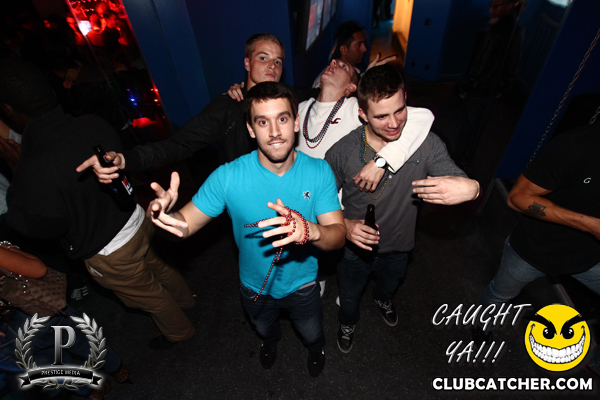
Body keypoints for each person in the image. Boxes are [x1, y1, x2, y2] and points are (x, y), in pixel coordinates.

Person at [147, 81, 346, 377]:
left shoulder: (318, 172)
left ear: (296, 123)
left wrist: (311, 231)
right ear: (251, 130)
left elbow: (338, 235)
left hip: (303, 283)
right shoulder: (228, 177)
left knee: (311, 330)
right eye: (263, 122)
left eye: (282, 119)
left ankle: (316, 348)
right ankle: (270, 342)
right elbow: (183, 225)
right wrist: (161, 217)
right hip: (254, 285)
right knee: (264, 328)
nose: (274, 131)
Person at [1, 57, 195, 350]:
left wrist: (18, 168)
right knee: (160, 267)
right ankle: (187, 300)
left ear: (8, 110)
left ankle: (180, 334)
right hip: (138, 218)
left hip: (110, 250)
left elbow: (37, 226)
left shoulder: (33, 167)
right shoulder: (91, 122)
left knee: (149, 295)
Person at [324, 64, 480, 353]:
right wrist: (345, 225)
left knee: (390, 286)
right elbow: (319, 204)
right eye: (381, 116)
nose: (394, 123)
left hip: (400, 245)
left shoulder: (426, 144)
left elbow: (454, 174)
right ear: (363, 114)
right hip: (355, 250)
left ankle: (382, 299)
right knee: (349, 296)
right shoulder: (342, 152)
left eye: (399, 110)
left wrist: (473, 188)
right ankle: (347, 322)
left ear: (406, 98)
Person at [298, 57, 433, 296]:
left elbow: (423, 116)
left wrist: (383, 160)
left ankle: (335, 287)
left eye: (344, 66)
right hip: (303, 197)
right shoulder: (301, 106)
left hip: (334, 205)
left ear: (351, 87)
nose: (334, 62)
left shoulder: (352, 108)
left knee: (337, 259)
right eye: (334, 62)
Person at [76, 33, 288, 186]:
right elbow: (179, 144)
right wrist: (126, 159)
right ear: (247, 63)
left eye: (278, 61)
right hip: (246, 204)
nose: (272, 65)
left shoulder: (291, 99)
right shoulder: (228, 107)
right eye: (263, 57)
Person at [475, 123, 600, 374]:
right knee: (500, 295)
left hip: (589, 256)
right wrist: (589, 224)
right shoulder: (575, 146)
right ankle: (482, 328)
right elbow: (517, 198)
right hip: (534, 249)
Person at [0, 241, 130, 400]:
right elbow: (38, 270)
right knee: (81, 341)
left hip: (5, 340)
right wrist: (6, 246)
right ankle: (116, 368)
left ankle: (89, 389)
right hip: (31, 311)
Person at [455, 0, 523, 170]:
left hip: (482, 88)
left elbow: (482, 61)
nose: (492, 9)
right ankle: (462, 162)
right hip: (488, 88)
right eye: (491, 5)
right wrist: (503, 86)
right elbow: (511, 61)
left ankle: (458, 163)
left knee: (469, 128)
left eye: (496, 6)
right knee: (475, 128)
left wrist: (467, 85)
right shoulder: (510, 28)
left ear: (510, 5)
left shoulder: (499, 29)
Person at [311, 21, 396, 89]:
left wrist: (366, 77)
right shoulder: (328, 78)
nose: (364, 49)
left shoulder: (355, 72)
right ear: (344, 49)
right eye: (359, 44)